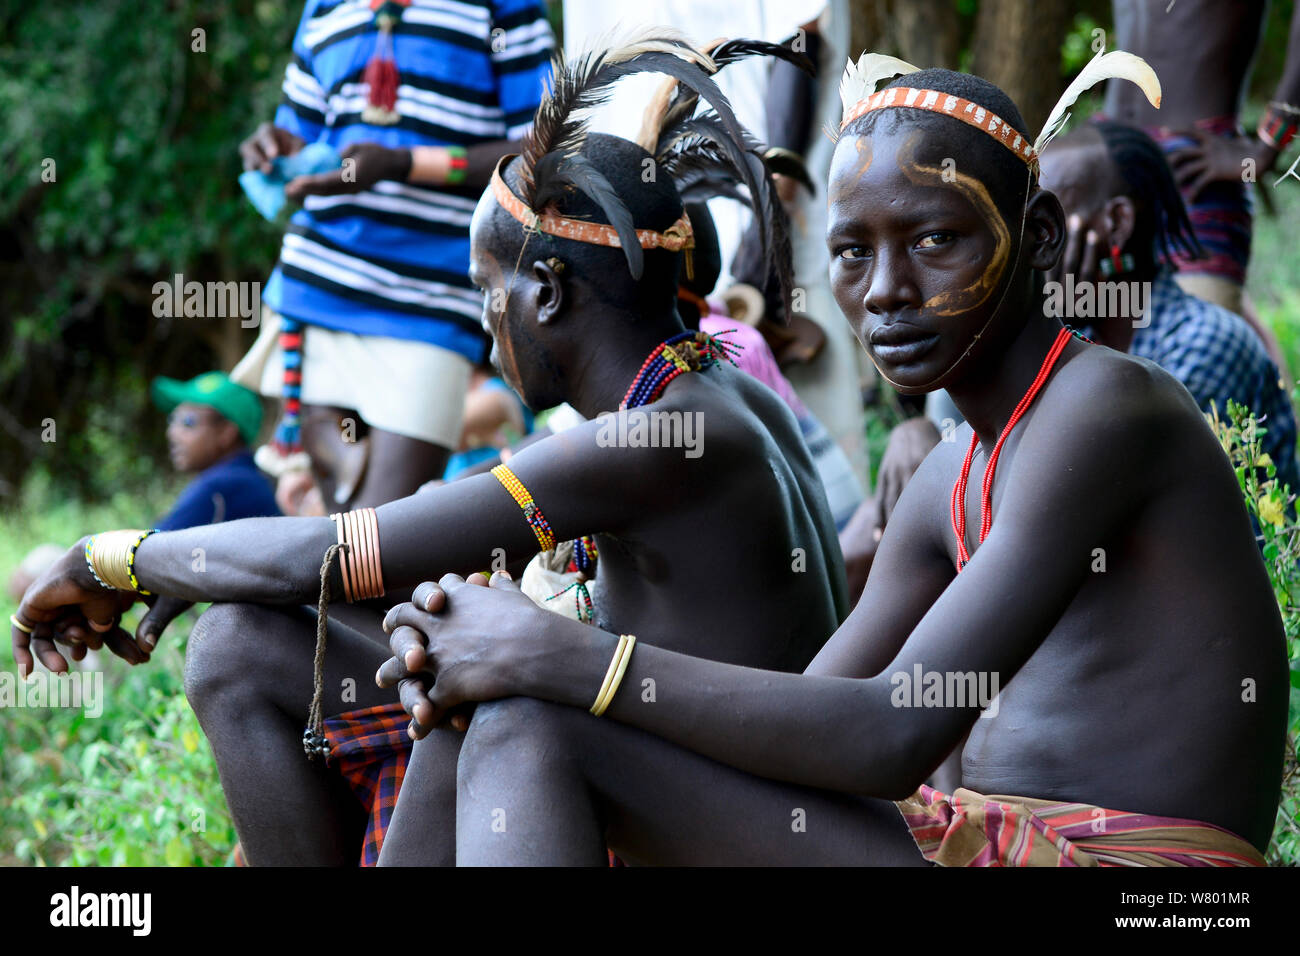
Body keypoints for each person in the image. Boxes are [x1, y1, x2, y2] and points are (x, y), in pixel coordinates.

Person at [368, 61, 1288, 866]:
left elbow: (893, 728)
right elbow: (816, 714)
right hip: (981, 841)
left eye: (933, 240)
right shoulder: (946, 479)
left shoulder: (1107, 408)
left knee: (535, 718)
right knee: (499, 715)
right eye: (852, 252)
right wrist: (497, 657)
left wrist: (557, 654)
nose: (885, 290)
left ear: (1039, 236)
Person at [12, 35, 848, 867]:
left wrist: (109, 559)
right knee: (238, 643)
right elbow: (399, 540)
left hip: (721, 814)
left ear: (547, 293)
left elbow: (340, 550)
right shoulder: (704, 396)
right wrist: (192, 573)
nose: (488, 329)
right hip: (666, 765)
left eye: (489, 293)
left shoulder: (658, 434)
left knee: (487, 715)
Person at [231, 0, 556, 511]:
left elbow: (542, 147)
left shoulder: (502, 8)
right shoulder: (325, 9)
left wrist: (403, 164)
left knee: (385, 532)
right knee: (339, 525)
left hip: (434, 293)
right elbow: (302, 131)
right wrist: (274, 146)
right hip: (321, 280)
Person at [1039, 120, 1300, 497]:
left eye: (1049, 216)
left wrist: (1043, 328)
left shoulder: (1206, 341)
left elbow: (1098, 487)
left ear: (1116, 224)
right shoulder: (1086, 334)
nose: (1031, 239)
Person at [1106, 0, 1300, 367]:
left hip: (1192, 166)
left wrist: (1267, 146)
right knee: (1097, 371)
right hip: (1107, 163)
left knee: (1196, 371)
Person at [151, 372, 281, 531]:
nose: (172, 433)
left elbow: (148, 549)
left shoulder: (224, 485)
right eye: (172, 420)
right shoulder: (248, 478)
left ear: (227, 432)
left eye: (188, 422)